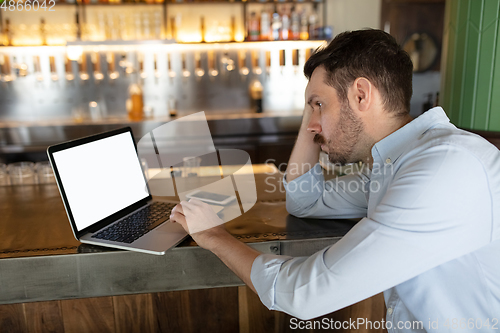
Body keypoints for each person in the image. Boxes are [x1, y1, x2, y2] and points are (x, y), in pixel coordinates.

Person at [170, 29, 500, 331]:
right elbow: (305, 200)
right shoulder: (395, 164)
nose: (311, 124)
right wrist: (315, 107)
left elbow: (305, 295)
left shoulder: (442, 169)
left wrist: (213, 235)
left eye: (318, 105)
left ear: (361, 95)